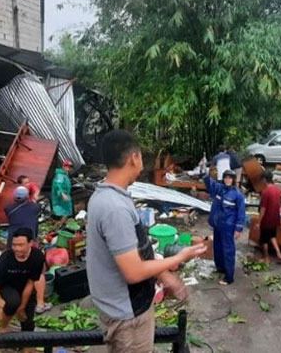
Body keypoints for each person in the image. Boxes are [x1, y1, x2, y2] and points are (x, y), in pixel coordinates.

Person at [87, 129, 207, 353]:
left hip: (127, 307)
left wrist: (163, 275)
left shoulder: (109, 196)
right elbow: (133, 272)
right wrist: (181, 256)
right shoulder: (115, 208)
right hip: (127, 317)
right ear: (133, 157)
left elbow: (135, 250)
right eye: (141, 154)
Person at [3, 186, 52, 313]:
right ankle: (40, 303)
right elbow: (36, 207)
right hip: (29, 243)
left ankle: (14, 300)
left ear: (15, 197)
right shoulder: (34, 208)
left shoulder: (8, 209)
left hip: (13, 244)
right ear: (27, 196)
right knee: (38, 272)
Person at [0, 228, 46, 333]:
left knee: (27, 321)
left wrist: (22, 307)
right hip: (8, 285)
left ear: (30, 243)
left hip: (26, 285)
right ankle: (4, 326)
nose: (17, 249)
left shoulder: (37, 257)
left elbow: (31, 282)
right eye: (14, 245)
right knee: (13, 302)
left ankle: (26, 345)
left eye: (20, 245)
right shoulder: (5, 258)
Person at [203, 169, 246, 285]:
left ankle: (229, 277)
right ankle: (220, 268)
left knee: (228, 250)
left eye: (230, 178)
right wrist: (204, 173)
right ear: (223, 178)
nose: (228, 179)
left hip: (228, 227)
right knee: (217, 248)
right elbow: (209, 183)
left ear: (233, 180)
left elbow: (241, 213)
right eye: (226, 177)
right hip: (217, 225)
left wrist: (238, 229)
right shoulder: (218, 189)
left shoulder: (238, 195)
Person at [257, 171, 281, 264]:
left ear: (264, 180)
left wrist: (259, 222)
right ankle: (279, 253)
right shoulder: (277, 189)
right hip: (275, 218)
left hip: (266, 219)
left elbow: (263, 209)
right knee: (272, 236)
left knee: (264, 240)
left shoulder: (265, 192)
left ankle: (266, 258)